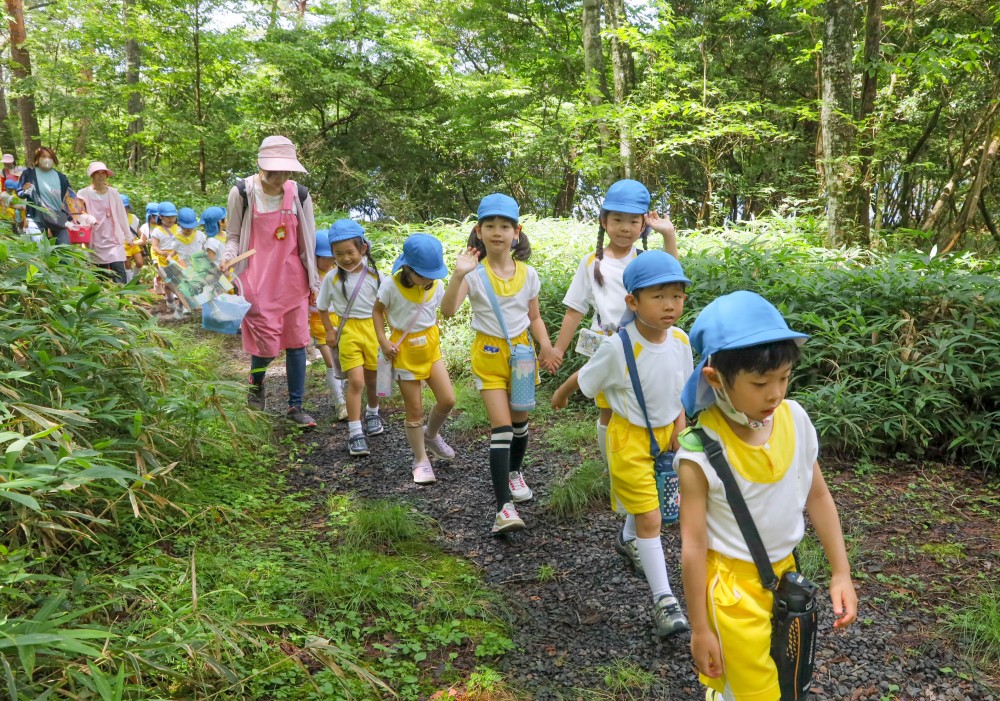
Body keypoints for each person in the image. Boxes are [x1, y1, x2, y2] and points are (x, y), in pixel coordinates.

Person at [675, 291, 857, 700]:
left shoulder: (794, 419)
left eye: (784, 378)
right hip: (732, 592)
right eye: (760, 383)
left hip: (784, 581)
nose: (775, 393)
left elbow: (818, 497)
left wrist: (840, 572)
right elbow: (692, 545)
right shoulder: (699, 451)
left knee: (785, 682)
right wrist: (701, 629)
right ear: (715, 378)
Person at [551, 250, 693, 638]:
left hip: (666, 435)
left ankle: (628, 539)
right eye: (659, 296)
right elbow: (587, 376)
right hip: (628, 437)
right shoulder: (620, 347)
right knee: (654, 518)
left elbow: (679, 390)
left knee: (653, 502)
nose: (670, 305)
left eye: (677, 296)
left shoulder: (680, 341)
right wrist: (561, 392)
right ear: (633, 302)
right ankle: (664, 600)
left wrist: (680, 429)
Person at [440, 193, 560, 534]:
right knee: (502, 428)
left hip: (522, 356)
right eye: (490, 225)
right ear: (478, 231)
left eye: (504, 226)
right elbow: (448, 311)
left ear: (516, 232)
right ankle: (503, 508)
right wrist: (457, 275)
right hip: (489, 356)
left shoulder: (529, 274)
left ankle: (514, 471)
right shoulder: (473, 275)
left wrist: (546, 346)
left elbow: (534, 316)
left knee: (521, 425)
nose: (497, 232)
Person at [552, 179, 679, 470]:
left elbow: (671, 278)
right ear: (604, 222)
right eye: (617, 219)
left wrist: (669, 236)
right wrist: (557, 350)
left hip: (643, 342)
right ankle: (614, 467)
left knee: (644, 402)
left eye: (633, 221)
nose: (625, 227)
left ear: (643, 225)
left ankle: (646, 461)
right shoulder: (591, 263)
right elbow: (574, 310)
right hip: (606, 345)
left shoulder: (646, 260)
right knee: (608, 411)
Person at [221, 135, 321, 428]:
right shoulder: (242, 192)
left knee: (297, 342)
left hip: (292, 281)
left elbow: (309, 241)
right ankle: (256, 385)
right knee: (264, 345)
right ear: (260, 165)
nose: (279, 178)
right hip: (256, 282)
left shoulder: (300, 194)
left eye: (284, 171)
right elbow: (233, 236)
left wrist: (313, 281)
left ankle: (295, 406)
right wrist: (228, 256)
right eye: (273, 171)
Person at [373, 233, 456, 484]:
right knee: (415, 409)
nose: (428, 279)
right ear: (407, 268)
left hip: (430, 349)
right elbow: (377, 313)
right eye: (422, 274)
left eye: (432, 274)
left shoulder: (437, 285)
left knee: (448, 399)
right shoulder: (390, 285)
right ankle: (420, 459)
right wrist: (383, 341)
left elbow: (443, 311)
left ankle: (431, 435)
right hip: (404, 351)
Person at [317, 219, 383, 455]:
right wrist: (329, 330)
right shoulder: (331, 278)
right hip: (348, 333)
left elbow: (387, 306)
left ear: (363, 248)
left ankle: (373, 412)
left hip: (373, 331)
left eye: (350, 252)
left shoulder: (376, 275)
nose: (345, 258)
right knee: (356, 381)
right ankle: (355, 431)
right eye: (338, 254)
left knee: (374, 380)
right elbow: (322, 307)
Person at [308, 227, 348, 420]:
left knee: (345, 361)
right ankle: (340, 403)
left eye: (330, 257)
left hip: (340, 321)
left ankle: (348, 398)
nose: (328, 261)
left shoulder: (337, 273)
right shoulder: (309, 275)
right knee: (332, 363)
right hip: (319, 323)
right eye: (323, 257)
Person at [75, 161, 130, 284]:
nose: (101, 176)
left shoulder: (113, 193)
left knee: (118, 268)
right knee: (100, 274)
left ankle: (122, 298)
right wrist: (87, 218)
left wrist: (127, 235)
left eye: (103, 173)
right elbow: (77, 212)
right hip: (95, 238)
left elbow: (121, 214)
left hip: (113, 237)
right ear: (92, 176)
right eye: (97, 173)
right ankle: (104, 299)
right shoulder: (83, 193)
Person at [18, 146, 72, 245]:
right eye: (43, 156)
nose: (47, 159)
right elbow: (20, 194)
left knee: (65, 251)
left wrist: (70, 218)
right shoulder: (29, 174)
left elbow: (68, 199)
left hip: (57, 218)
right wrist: (25, 190)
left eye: (50, 157)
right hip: (36, 218)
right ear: (37, 159)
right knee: (40, 251)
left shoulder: (61, 177)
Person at [151, 201, 181, 311]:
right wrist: (160, 252)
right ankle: (170, 301)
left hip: (176, 258)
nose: (171, 219)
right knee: (168, 282)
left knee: (177, 281)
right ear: (161, 217)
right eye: (168, 217)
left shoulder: (178, 228)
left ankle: (178, 300)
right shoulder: (157, 231)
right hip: (163, 260)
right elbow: (154, 246)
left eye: (173, 216)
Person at [121, 194, 145, 281]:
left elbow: (138, 231)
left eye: (126, 207)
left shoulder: (133, 217)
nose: (125, 209)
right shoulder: (116, 218)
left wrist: (141, 239)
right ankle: (129, 280)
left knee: (139, 262)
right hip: (124, 243)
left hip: (134, 242)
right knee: (127, 264)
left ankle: (134, 277)